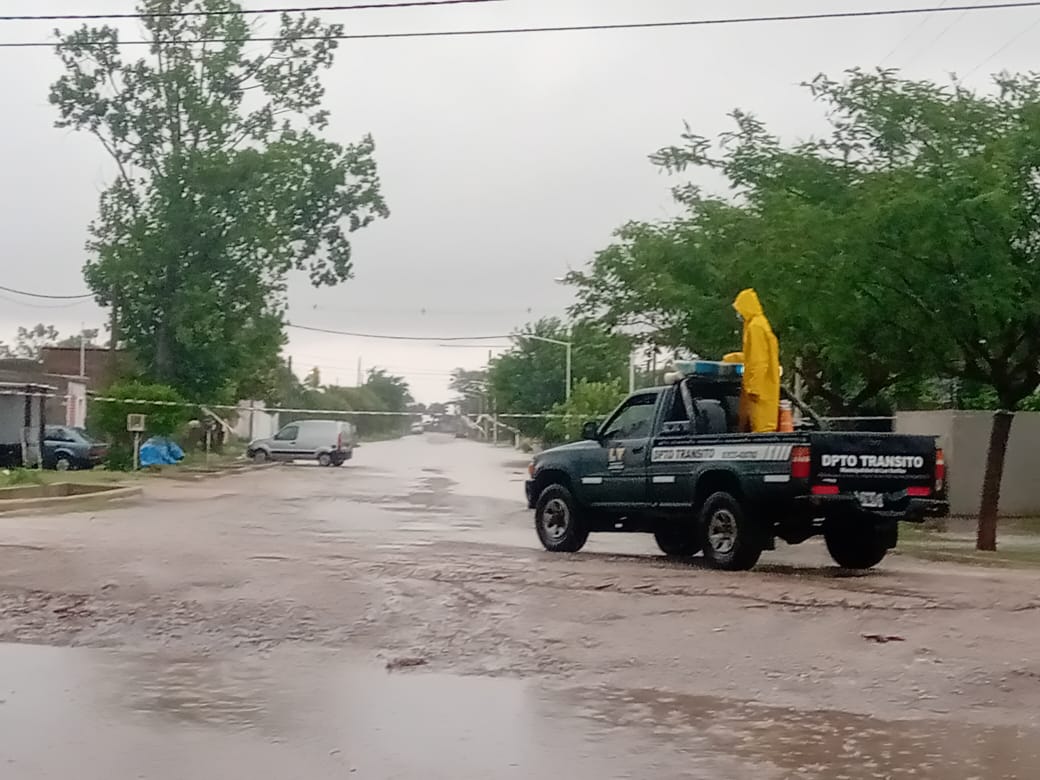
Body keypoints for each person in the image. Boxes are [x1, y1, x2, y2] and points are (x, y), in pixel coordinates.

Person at [725, 288, 781, 433]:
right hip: (764, 385)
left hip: (760, 389)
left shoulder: (755, 327)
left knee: (763, 429)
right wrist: (733, 358)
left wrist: (754, 387)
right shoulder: (760, 324)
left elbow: (759, 359)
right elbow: (753, 354)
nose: (738, 314)